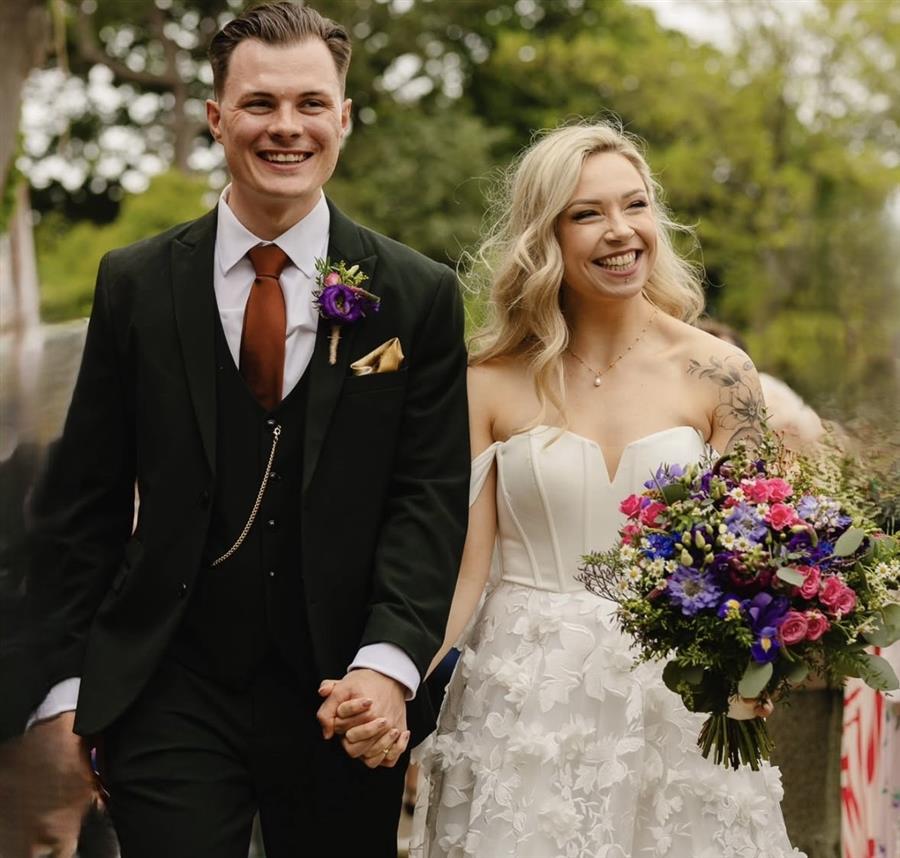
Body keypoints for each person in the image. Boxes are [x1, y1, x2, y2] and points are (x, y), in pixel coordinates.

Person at [0, 4, 469, 857]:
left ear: (344, 118)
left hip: (342, 690)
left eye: (310, 103)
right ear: (217, 118)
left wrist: (390, 662)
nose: (286, 126)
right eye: (259, 103)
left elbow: (427, 501)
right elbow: (84, 503)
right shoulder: (135, 283)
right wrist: (63, 690)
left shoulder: (418, 294)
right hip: (167, 684)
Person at [398, 122, 802, 856]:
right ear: (545, 235)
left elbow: (756, 555)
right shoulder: (488, 381)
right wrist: (391, 682)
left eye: (635, 204)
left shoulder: (720, 373)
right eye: (587, 213)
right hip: (524, 698)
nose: (620, 231)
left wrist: (760, 663)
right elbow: (463, 572)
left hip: (677, 697)